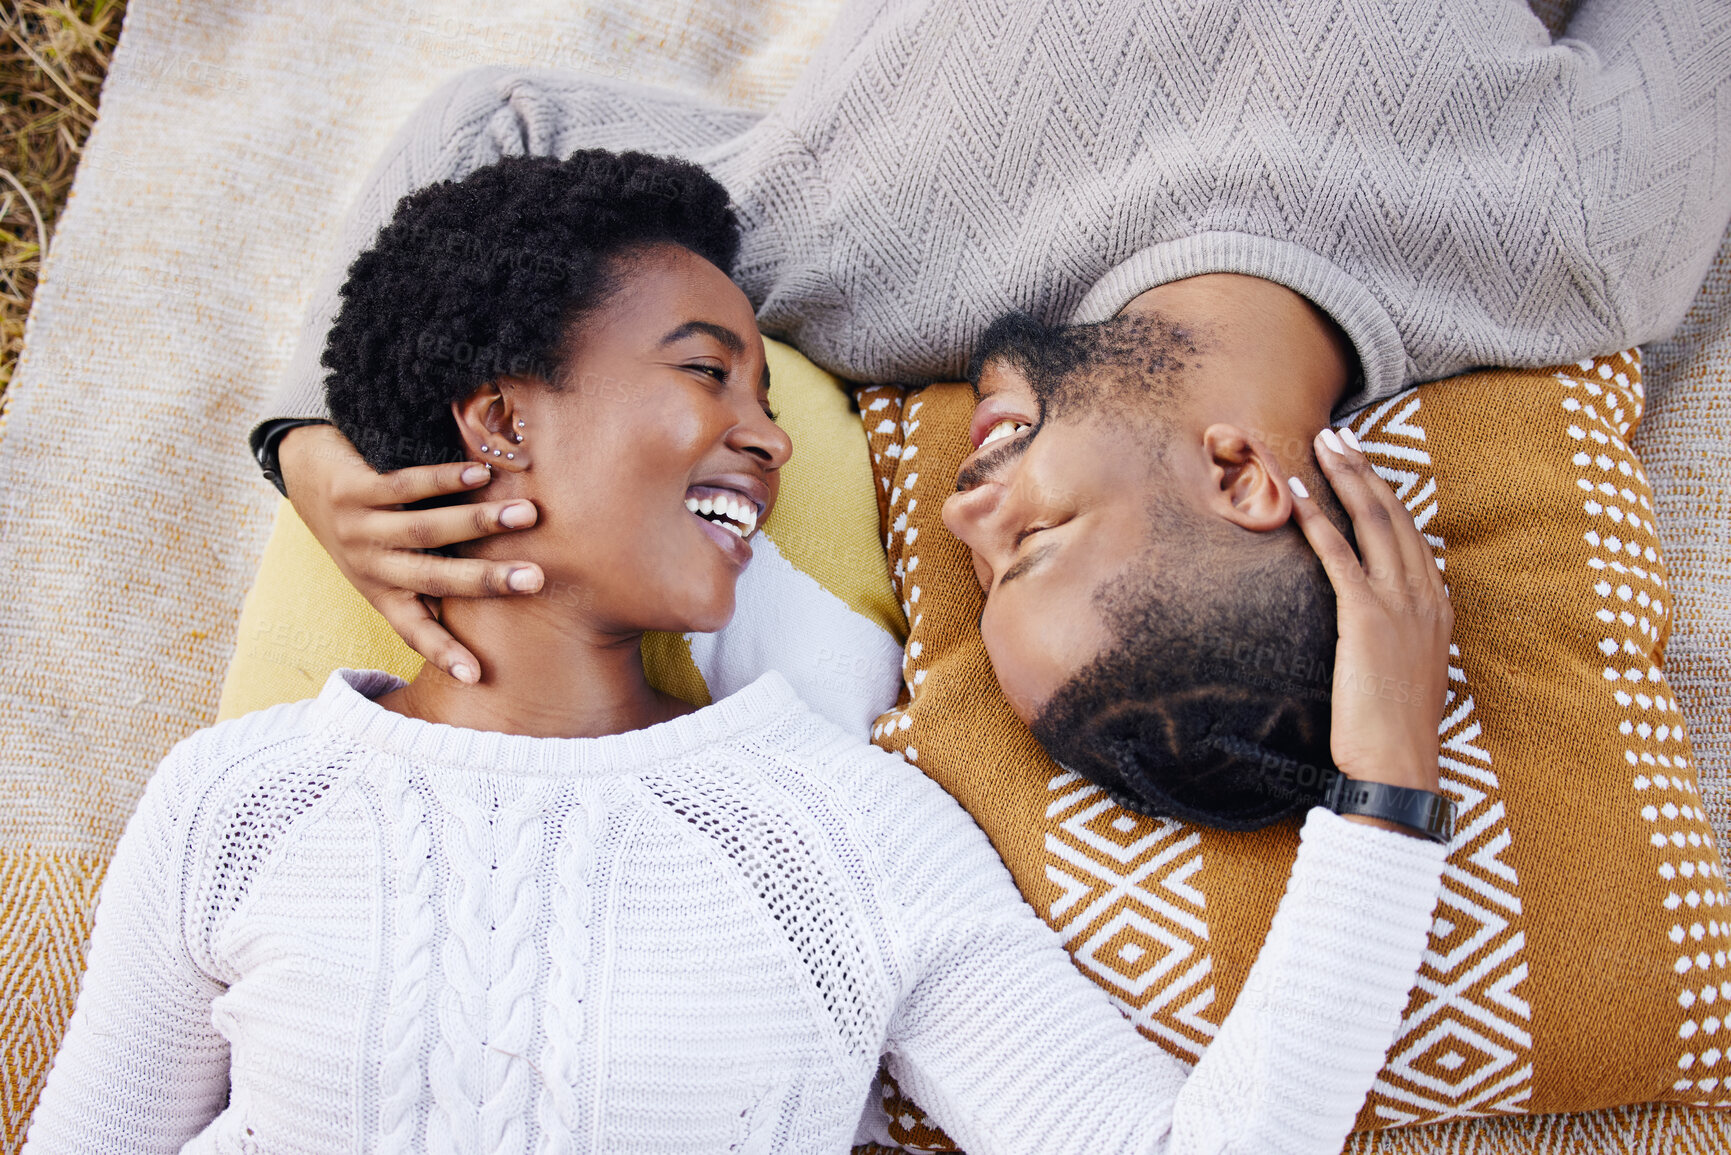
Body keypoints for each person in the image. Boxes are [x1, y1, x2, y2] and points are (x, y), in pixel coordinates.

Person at [27, 150, 1451, 1154]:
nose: (769, 438)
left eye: (767, 394)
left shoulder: (852, 831)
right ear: (499, 420)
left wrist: (1385, 781)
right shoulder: (237, 801)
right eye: (708, 372)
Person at [255, 0, 1730, 820]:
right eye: (1036, 541)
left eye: (982, 561)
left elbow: (495, 134)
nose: (963, 512)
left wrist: (317, 448)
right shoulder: (1578, 236)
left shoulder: (855, 266)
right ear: (1241, 474)